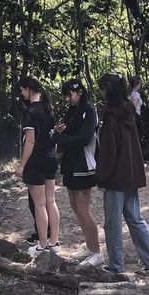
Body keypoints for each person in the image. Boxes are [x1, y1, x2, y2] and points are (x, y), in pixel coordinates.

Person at [96, 73, 149, 274]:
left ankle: (115, 266)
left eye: (102, 89)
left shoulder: (112, 115)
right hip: (130, 173)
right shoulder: (128, 109)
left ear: (108, 90)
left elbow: (109, 150)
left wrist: (101, 176)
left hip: (116, 176)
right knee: (134, 217)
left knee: (113, 222)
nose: (101, 93)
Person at [51, 79, 103, 267]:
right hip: (70, 163)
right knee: (74, 206)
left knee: (83, 208)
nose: (67, 99)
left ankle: (97, 252)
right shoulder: (72, 111)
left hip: (84, 164)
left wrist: (59, 138)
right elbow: (68, 132)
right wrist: (58, 132)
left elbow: (84, 138)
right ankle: (89, 247)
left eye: (69, 94)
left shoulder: (89, 111)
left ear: (79, 92)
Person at [16, 76, 61, 255]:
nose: (21, 94)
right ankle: (54, 242)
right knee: (51, 201)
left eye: (22, 90)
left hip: (35, 162)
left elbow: (30, 141)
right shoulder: (48, 108)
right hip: (50, 159)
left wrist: (21, 165)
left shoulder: (30, 112)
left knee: (39, 205)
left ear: (28, 89)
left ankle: (42, 245)